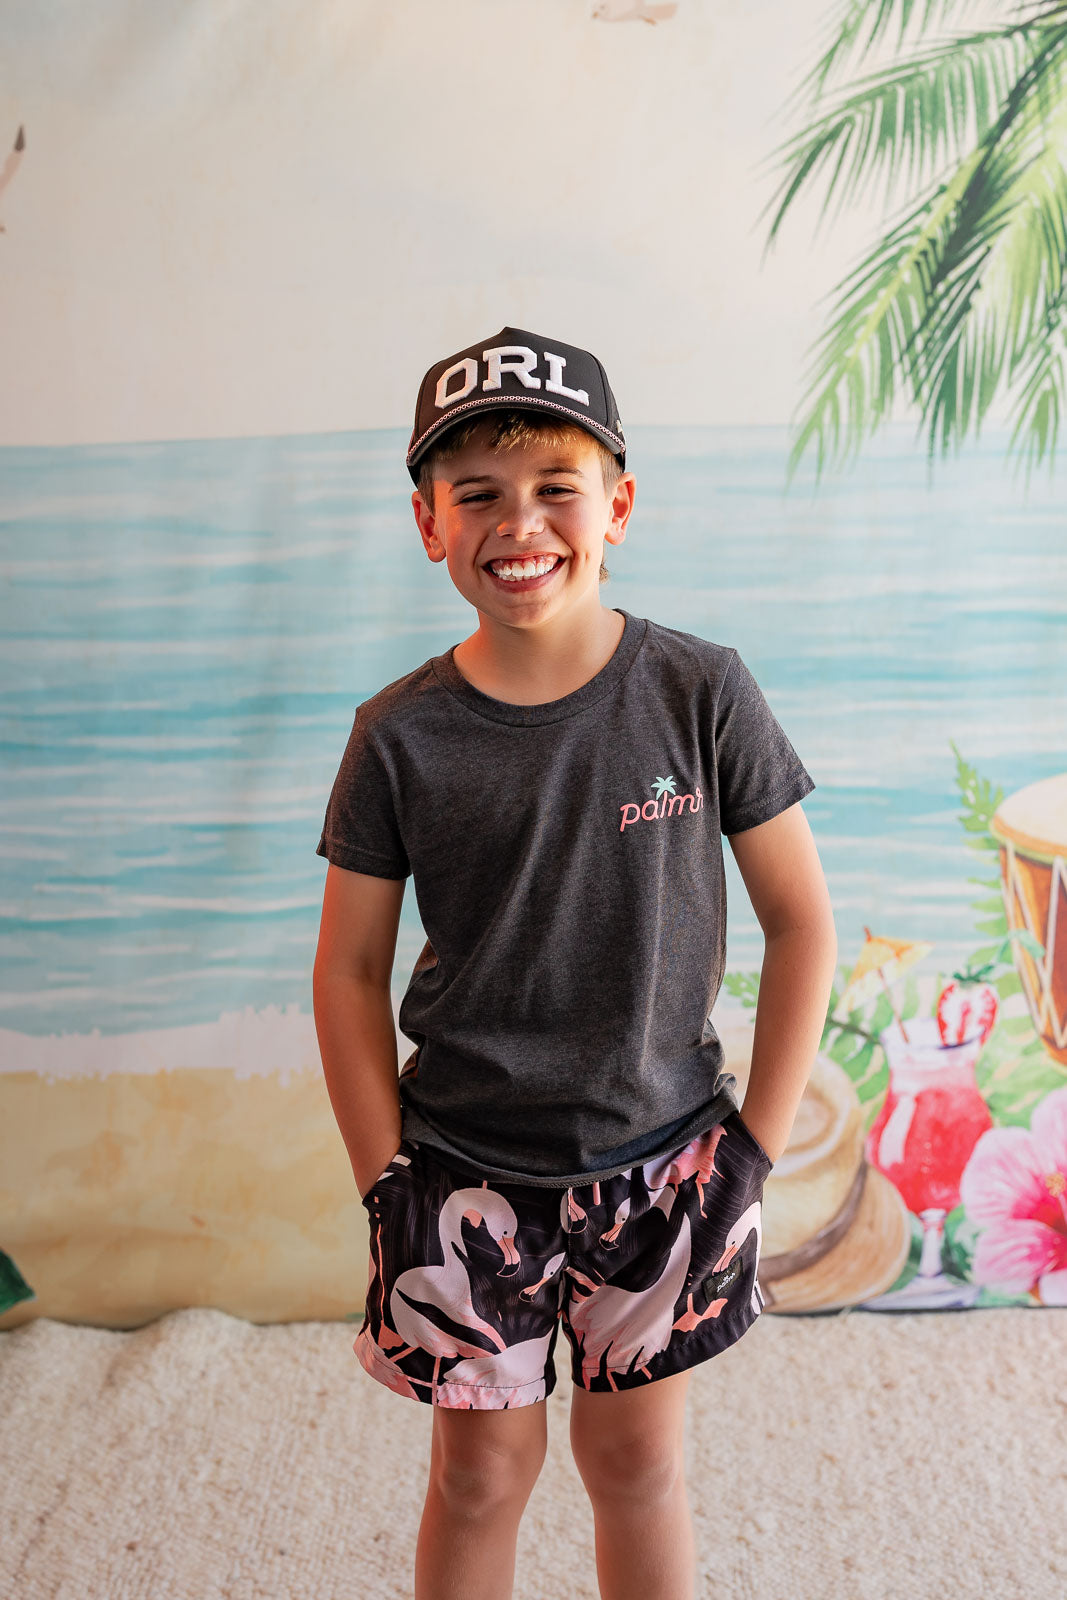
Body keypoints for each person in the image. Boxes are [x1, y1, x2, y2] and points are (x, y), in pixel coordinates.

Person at [312, 326, 838, 1600]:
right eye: (477, 494)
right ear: (427, 520)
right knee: (481, 1473)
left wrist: (754, 1151)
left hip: (666, 1164)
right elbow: (346, 971)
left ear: (619, 503)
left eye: (555, 486)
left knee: (634, 1462)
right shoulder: (397, 736)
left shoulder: (700, 691)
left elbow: (802, 921)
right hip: (457, 1167)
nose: (519, 523)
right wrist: (382, 1172)